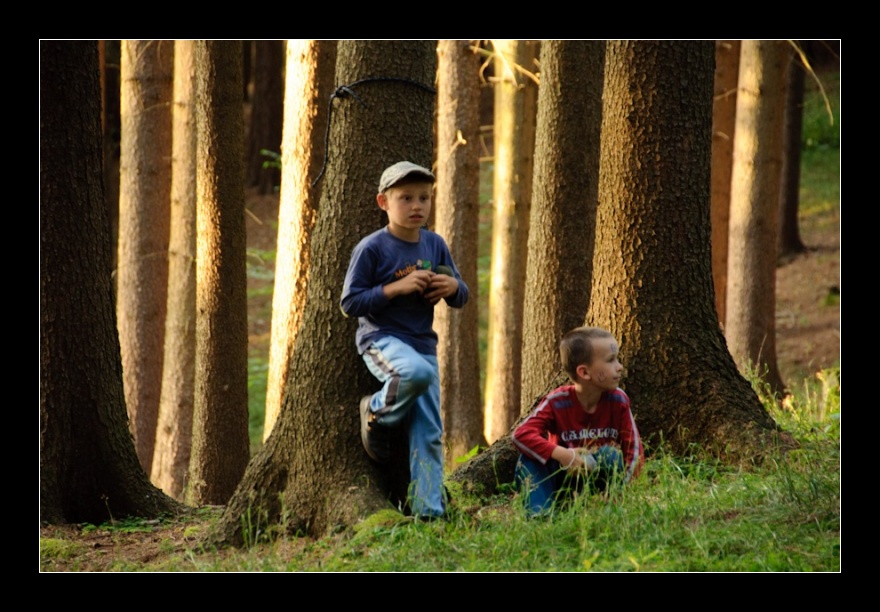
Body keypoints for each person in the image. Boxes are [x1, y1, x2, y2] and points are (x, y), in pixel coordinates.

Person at [340, 161, 469, 520]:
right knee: (414, 373)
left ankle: (429, 512)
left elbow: (461, 294)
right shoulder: (373, 248)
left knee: (429, 432)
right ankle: (376, 414)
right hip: (382, 339)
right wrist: (395, 288)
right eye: (406, 198)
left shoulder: (434, 243)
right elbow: (350, 303)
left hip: (423, 343)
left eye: (424, 198)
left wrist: (452, 286)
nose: (417, 206)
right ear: (384, 202)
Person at [512, 326, 644, 516]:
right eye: (611, 360)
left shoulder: (618, 400)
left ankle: (607, 509)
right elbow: (520, 435)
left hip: (595, 479)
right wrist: (564, 455)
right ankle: (540, 515)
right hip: (563, 480)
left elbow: (635, 451)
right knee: (528, 460)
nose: (619, 366)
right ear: (584, 372)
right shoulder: (557, 402)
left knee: (610, 456)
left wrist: (623, 493)